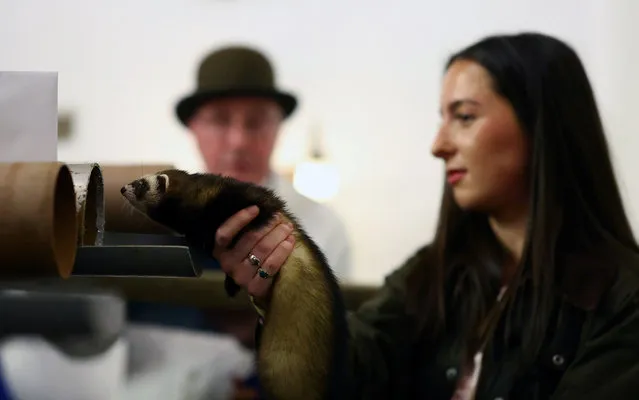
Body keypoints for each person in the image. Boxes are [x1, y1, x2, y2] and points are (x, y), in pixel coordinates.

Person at [210, 31, 639, 399]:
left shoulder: (623, 301)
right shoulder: (435, 273)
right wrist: (284, 293)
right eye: (443, 119)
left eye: (464, 117)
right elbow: (347, 371)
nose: (438, 145)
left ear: (542, 125)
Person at [175, 44, 352, 280]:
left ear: (278, 129)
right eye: (220, 120)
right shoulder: (159, 225)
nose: (238, 141)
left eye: (255, 122)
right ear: (193, 128)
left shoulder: (323, 228)